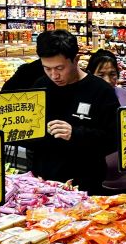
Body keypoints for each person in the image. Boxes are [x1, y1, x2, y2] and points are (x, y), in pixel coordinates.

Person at [27, 30, 119, 195]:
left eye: (60, 68)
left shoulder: (101, 90)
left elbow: (114, 139)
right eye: (47, 68)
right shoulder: (40, 86)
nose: (54, 75)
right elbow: (30, 134)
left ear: (76, 60)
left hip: (86, 185)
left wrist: (75, 134)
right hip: (43, 183)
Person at [85, 50, 126, 192]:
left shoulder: (125, 95)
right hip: (98, 181)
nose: (108, 80)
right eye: (101, 75)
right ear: (90, 74)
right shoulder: (84, 100)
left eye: (112, 74)